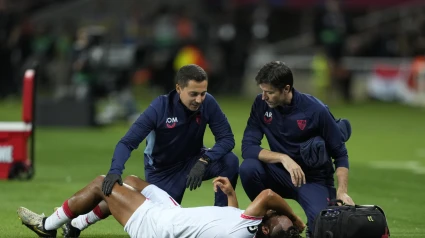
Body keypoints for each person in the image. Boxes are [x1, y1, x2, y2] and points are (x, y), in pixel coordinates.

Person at [61, 64, 239, 236]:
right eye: (194, 94)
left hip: (193, 160)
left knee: (229, 161)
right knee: (159, 221)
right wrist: (115, 170)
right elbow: (127, 142)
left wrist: (204, 160)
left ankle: (220, 222)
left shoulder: (208, 103)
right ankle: (79, 223)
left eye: (203, 93)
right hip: (162, 172)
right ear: (178, 88)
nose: (200, 99)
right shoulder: (159, 107)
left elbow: (227, 139)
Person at [239, 61, 355, 237]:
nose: (264, 97)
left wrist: (342, 191)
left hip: (314, 180)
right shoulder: (261, 104)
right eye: (262, 91)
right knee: (249, 168)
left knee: (322, 228)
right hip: (281, 173)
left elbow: (340, 155)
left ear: (286, 89)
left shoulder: (316, 110)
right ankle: (272, 218)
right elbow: (248, 147)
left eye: (269, 92)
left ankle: (314, 220)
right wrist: (284, 158)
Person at [17, 176, 306, 238]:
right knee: (131, 183)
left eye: (278, 218)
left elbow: (268, 194)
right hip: (171, 215)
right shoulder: (248, 229)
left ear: (265, 228)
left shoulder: (250, 226)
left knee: (101, 185)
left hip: (155, 225)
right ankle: (76, 226)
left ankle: (47, 227)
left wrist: (294, 216)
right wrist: (231, 195)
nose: (277, 213)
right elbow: (230, 220)